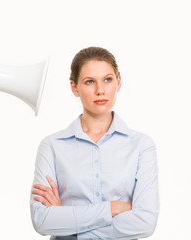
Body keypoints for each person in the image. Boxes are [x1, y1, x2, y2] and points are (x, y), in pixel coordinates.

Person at [30, 47, 159, 239]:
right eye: (89, 82)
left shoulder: (141, 146)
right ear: (75, 87)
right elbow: (42, 220)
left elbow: (145, 223)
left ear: (119, 82)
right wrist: (112, 209)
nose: (100, 90)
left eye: (108, 79)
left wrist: (67, 220)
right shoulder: (52, 146)